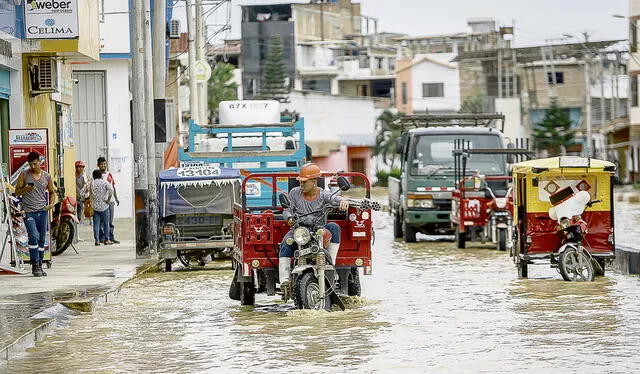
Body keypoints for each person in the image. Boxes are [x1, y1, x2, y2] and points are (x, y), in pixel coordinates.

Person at [278, 163, 349, 296]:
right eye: (300, 182)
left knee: (334, 227)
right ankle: (285, 280)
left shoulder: (323, 195)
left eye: (305, 182)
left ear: (314, 182)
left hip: (319, 229)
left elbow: (335, 198)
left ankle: (330, 264)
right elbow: (286, 209)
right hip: (299, 230)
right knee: (286, 242)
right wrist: (289, 218)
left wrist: (343, 201)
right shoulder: (294, 193)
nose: (301, 185)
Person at [14, 151, 56, 277]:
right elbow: (17, 192)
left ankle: (41, 263)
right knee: (33, 236)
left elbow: (52, 192)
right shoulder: (24, 175)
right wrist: (24, 190)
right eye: (30, 164)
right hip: (29, 212)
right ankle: (35, 264)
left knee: (42, 238)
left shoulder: (47, 176)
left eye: (35, 164)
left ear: (39, 162)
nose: (33, 167)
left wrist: (51, 204)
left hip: (42, 211)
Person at [97, 157, 120, 244]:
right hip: (102, 202)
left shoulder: (109, 174)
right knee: (103, 221)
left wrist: (116, 198)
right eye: (101, 164)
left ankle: (111, 236)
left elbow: (113, 186)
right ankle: (102, 237)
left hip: (111, 201)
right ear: (98, 165)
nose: (103, 166)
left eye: (104, 164)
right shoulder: (97, 176)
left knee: (110, 220)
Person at [90, 169, 113, 246]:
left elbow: (82, 192)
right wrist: (108, 200)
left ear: (93, 176)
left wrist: (85, 200)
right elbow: (111, 190)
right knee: (106, 223)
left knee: (96, 224)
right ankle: (107, 239)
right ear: (101, 176)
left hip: (95, 207)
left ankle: (97, 240)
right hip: (104, 206)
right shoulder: (105, 182)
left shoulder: (91, 183)